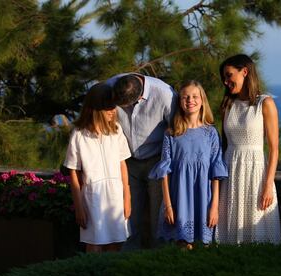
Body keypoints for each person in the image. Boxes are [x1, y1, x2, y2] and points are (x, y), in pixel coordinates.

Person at [149, 80, 228, 249]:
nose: (190, 100)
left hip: (204, 199)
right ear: (180, 102)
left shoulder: (211, 133)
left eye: (194, 96)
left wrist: (214, 206)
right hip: (179, 199)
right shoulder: (172, 133)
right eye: (185, 97)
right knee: (182, 245)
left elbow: (216, 172)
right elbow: (164, 172)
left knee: (204, 247)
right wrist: (168, 206)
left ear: (202, 101)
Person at [215, 54, 281, 244]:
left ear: (244, 72)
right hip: (231, 172)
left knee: (258, 233)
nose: (226, 81)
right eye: (224, 78)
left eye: (229, 75)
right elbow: (224, 145)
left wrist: (268, 185)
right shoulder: (227, 105)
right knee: (230, 234)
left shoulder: (265, 103)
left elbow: (274, 149)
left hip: (256, 174)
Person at [106, 73, 178, 249]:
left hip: (156, 160)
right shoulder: (109, 87)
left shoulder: (165, 94)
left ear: (139, 98)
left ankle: (156, 261)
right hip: (127, 161)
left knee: (157, 218)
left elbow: (177, 129)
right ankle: (128, 262)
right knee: (128, 216)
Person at [63, 83, 132, 253]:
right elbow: (73, 172)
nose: (113, 110)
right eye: (108, 106)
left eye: (113, 106)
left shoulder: (116, 131)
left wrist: (127, 197)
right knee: (94, 244)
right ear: (95, 108)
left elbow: (122, 164)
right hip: (93, 199)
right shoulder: (79, 135)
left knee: (116, 243)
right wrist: (79, 207)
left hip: (116, 196)